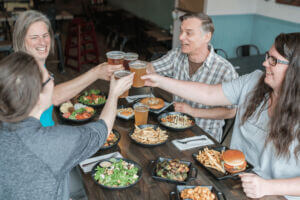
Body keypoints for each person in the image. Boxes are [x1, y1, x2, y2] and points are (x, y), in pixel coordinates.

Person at [142, 32, 300, 199]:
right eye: (268, 56)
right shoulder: (253, 81)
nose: (264, 63)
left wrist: (267, 187)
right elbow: (208, 93)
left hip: (276, 193)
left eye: (273, 60)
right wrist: (159, 80)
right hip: (233, 178)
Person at [0, 52, 134, 200]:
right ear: (38, 95)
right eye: (49, 78)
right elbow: (102, 131)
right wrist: (114, 93)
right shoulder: (52, 141)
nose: (53, 80)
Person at [13, 10, 123, 127]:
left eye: (45, 35)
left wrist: (67, 94)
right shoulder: (22, 70)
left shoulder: (38, 63)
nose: (42, 42)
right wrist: (96, 73)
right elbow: (54, 97)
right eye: (34, 37)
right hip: (37, 141)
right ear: (22, 41)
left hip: (47, 132)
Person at [147, 13, 238, 142]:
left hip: (204, 136)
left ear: (207, 36)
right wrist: (133, 67)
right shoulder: (176, 55)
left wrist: (194, 112)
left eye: (188, 33)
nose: (181, 37)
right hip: (174, 127)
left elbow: (230, 112)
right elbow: (152, 68)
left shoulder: (225, 70)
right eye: (181, 32)